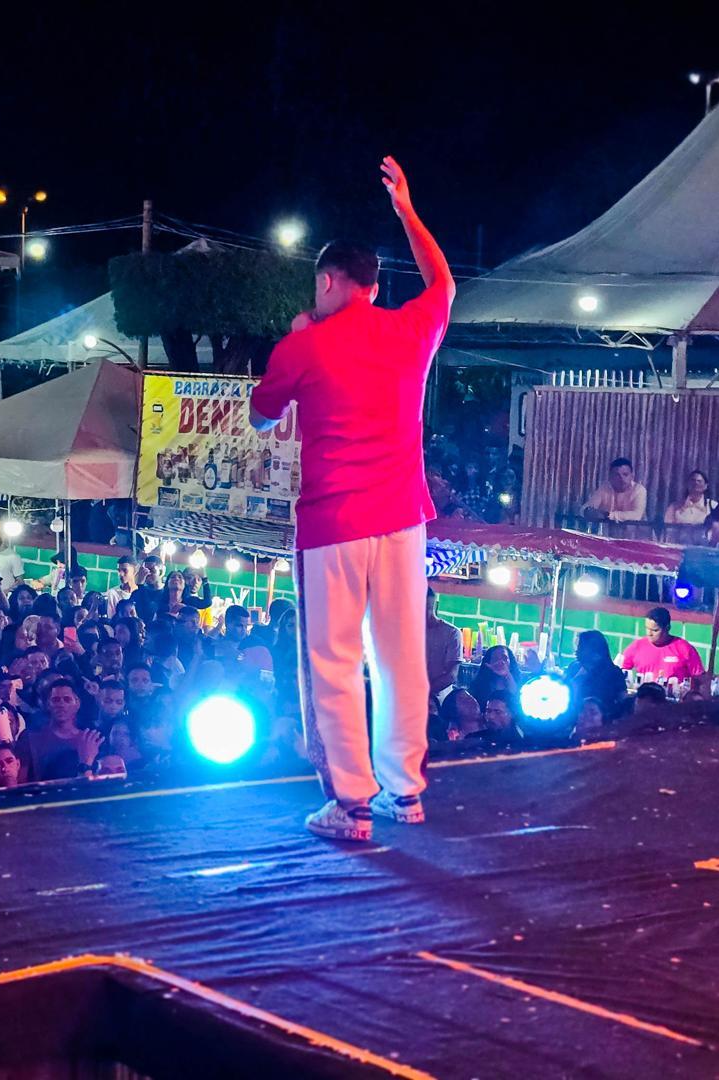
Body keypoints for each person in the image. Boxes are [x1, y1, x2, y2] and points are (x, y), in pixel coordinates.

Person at [248, 154, 452, 843]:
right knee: (401, 658)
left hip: (333, 523)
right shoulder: (411, 329)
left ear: (329, 281)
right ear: (375, 285)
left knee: (333, 663)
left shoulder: (303, 345)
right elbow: (444, 283)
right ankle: (406, 792)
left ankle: (351, 804)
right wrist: (407, 211)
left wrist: (298, 339)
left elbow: (261, 417)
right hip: (403, 519)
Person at [618, 607, 705, 693]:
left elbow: (700, 679)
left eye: (655, 630)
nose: (649, 633)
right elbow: (620, 671)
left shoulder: (684, 648)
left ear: (667, 628)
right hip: (646, 698)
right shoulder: (637, 646)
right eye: (647, 628)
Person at [564, 631, 627, 719]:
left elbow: (623, 701)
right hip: (573, 717)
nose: (576, 650)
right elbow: (563, 692)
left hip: (603, 720)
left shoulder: (613, 673)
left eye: (580, 646)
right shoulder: (574, 667)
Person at [582, 457, 647, 524]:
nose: (622, 478)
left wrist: (608, 515)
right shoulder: (605, 488)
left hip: (635, 529)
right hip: (608, 530)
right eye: (617, 475)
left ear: (632, 476)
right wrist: (587, 512)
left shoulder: (639, 490)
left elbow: (636, 516)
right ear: (610, 477)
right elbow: (585, 509)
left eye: (625, 475)